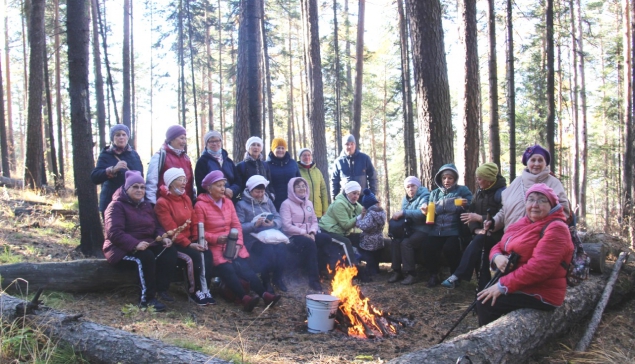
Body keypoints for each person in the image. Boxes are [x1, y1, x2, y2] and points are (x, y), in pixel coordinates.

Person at [476, 183, 574, 326]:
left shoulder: (556, 228)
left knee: (487, 303)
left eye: (542, 200)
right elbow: (500, 244)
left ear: (552, 205)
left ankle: (490, 344)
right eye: (531, 199)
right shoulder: (525, 222)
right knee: (484, 297)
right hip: (521, 285)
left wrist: (502, 285)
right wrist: (497, 257)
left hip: (542, 292)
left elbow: (539, 268)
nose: (535, 205)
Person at [194, 170, 280, 312]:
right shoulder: (201, 205)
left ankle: (265, 295)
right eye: (218, 185)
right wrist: (215, 238)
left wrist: (239, 244)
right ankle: (244, 298)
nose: (223, 189)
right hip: (214, 246)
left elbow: (236, 226)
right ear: (209, 188)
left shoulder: (228, 203)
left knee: (244, 267)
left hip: (232, 244)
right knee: (227, 268)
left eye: (223, 185)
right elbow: (198, 232)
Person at [103, 171, 178, 312]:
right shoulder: (116, 206)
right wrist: (134, 244)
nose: (139, 190)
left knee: (169, 252)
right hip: (120, 248)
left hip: (146, 244)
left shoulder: (146, 206)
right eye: (135, 187)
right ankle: (147, 299)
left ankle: (161, 290)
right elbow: (114, 233)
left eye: (142, 187)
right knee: (146, 257)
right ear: (127, 189)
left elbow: (156, 227)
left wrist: (163, 237)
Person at [155, 168, 215, 305]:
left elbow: (194, 221)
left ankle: (206, 289)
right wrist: (188, 244)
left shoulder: (186, 198)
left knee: (207, 253)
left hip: (190, 239)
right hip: (175, 243)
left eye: (185, 180)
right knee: (192, 257)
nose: (184, 183)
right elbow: (171, 229)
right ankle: (194, 292)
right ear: (171, 183)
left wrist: (198, 239)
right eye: (180, 180)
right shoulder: (162, 203)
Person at [441, 163, 507, 289]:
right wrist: (476, 229)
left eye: (480, 178)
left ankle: (458, 276)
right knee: (479, 244)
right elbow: (470, 213)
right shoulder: (479, 192)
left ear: (489, 180)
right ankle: (483, 286)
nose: (477, 181)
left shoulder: (502, 193)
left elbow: (504, 217)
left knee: (479, 243)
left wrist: (480, 219)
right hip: (482, 233)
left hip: (498, 234)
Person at [489, 144, 570, 233]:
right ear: (527, 163)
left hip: (540, 238)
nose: (536, 164)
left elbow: (563, 211)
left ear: (545, 163)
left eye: (540, 160)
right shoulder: (516, 183)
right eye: (533, 160)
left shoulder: (553, 183)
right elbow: (505, 211)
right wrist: (493, 222)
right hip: (512, 238)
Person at [421, 164, 473, 287]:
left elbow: (471, 202)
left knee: (451, 248)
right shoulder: (434, 193)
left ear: (455, 179)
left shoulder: (462, 190)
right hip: (436, 230)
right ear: (440, 179)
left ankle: (454, 276)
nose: (446, 181)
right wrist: (425, 210)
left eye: (450, 178)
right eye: (444, 178)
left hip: (454, 229)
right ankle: (434, 274)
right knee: (427, 246)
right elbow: (431, 210)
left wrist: (465, 204)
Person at [235, 175, 287, 293]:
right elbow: (239, 226)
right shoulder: (241, 204)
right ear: (250, 190)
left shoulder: (267, 201)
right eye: (257, 192)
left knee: (282, 248)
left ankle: (278, 278)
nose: (259, 195)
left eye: (262, 192)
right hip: (252, 239)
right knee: (267, 250)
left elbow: (278, 217)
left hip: (270, 234)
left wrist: (273, 224)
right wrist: (254, 225)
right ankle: (266, 281)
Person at [279, 177, 331, 291]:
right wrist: (304, 233)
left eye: (303, 186)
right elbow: (286, 226)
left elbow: (314, 221)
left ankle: (323, 270)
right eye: (298, 186)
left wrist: (312, 232)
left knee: (326, 239)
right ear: (292, 189)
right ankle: (314, 281)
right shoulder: (286, 204)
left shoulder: (309, 203)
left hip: (309, 233)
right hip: (293, 236)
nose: (302, 188)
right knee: (310, 244)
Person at [91, 124, 144, 216]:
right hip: (112, 203)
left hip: (132, 203)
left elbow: (141, 177)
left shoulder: (134, 154)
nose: (121, 137)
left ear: (127, 137)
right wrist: (113, 170)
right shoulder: (106, 154)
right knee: (115, 230)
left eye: (124, 135)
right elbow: (95, 177)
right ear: (112, 138)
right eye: (117, 135)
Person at [388, 176, 431, 285]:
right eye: (408, 187)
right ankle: (397, 271)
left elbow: (422, 214)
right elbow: (405, 215)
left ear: (418, 186)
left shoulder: (425, 195)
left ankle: (411, 274)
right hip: (409, 229)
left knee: (406, 243)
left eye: (413, 186)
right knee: (395, 241)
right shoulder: (405, 199)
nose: (410, 189)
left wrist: (404, 212)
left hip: (423, 229)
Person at [146, 125, 195, 204]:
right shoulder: (160, 156)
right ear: (172, 139)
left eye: (185, 138)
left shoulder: (186, 158)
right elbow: (151, 183)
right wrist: (152, 205)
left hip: (185, 206)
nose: (184, 141)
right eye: (181, 138)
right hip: (166, 206)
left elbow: (190, 184)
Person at [319, 181, 364, 267]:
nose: (356, 196)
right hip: (328, 230)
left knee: (360, 237)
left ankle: (366, 264)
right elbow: (346, 225)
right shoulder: (339, 204)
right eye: (354, 193)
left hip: (340, 231)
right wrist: (359, 217)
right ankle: (353, 268)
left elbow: (364, 211)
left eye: (358, 194)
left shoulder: (355, 204)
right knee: (345, 242)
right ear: (347, 192)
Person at [194, 130, 240, 199]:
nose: (215, 144)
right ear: (206, 144)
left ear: (221, 142)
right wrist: (223, 191)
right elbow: (201, 185)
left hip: (230, 200)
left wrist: (232, 190)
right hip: (211, 201)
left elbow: (238, 180)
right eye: (211, 141)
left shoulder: (228, 161)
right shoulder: (202, 162)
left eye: (217, 141)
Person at [331, 135, 378, 200]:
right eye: (347, 144)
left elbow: (373, 177)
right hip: (345, 200)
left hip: (362, 198)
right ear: (343, 146)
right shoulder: (338, 162)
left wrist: (372, 194)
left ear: (355, 145)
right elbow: (334, 182)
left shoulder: (364, 158)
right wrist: (334, 198)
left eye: (352, 144)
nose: (349, 146)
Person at [355, 189, 386, 279]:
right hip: (379, 238)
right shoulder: (382, 212)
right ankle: (376, 269)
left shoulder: (370, 214)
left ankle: (370, 271)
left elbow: (366, 226)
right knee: (376, 256)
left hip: (369, 240)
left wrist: (358, 223)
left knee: (369, 257)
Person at [266, 138, 300, 211]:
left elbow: (299, 180)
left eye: (283, 148)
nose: (280, 150)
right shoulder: (266, 165)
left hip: (292, 201)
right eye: (278, 148)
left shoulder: (293, 163)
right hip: (274, 203)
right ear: (273, 149)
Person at [297, 148, 329, 218]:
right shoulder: (297, 171)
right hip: (303, 211)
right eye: (304, 155)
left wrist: (325, 208)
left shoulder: (317, 171)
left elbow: (323, 190)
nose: (307, 157)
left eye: (309, 155)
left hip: (318, 211)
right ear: (300, 157)